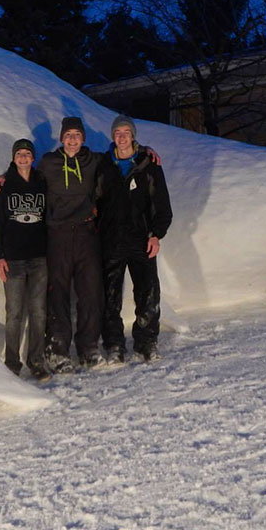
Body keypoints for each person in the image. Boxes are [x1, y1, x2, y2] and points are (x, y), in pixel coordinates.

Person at [96, 115, 172, 362]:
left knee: (148, 293)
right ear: (113, 136)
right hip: (112, 240)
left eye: (126, 132)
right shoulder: (103, 165)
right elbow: (94, 201)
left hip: (142, 239)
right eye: (117, 132)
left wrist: (156, 234)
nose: (122, 136)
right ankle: (114, 344)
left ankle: (146, 341)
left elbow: (161, 204)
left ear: (133, 135)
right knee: (110, 296)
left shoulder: (148, 164)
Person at [37, 116, 105, 372]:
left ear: (83, 138)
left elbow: (122, 155)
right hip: (58, 233)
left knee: (90, 291)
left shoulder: (93, 160)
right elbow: (29, 179)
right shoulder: (49, 162)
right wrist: (4, 178)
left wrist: (145, 151)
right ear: (61, 138)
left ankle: (88, 347)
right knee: (58, 292)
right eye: (68, 135)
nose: (73, 140)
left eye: (77, 135)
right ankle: (57, 350)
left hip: (87, 233)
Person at [0, 138, 50, 380]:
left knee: (38, 311)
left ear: (33, 157)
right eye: (19, 154)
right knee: (14, 312)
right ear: (14, 158)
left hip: (39, 258)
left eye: (27, 153)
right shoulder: (3, 186)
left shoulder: (42, 182)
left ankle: (36, 362)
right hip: (13, 259)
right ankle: (12, 363)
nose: (23, 157)